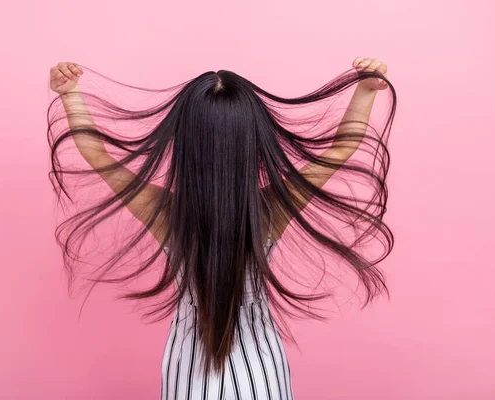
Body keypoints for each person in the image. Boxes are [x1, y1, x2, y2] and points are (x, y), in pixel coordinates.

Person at [47, 57, 395, 399]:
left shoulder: (164, 212)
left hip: (188, 375)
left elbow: (99, 157)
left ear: (184, 143)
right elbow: (342, 148)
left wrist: (70, 95)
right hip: (262, 374)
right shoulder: (271, 208)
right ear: (254, 144)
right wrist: (365, 90)